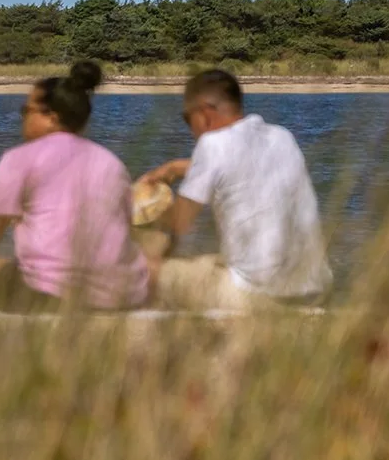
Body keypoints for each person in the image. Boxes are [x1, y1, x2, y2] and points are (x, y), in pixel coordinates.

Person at [0, 61, 149, 311]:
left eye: (26, 110)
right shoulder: (113, 163)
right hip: (123, 294)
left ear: (51, 118)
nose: (22, 118)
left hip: (52, 295)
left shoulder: (19, 159)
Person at [137, 69, 332, 309]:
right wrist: (176, 168)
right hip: (312, 288)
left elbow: (180, 224)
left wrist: (143, 211)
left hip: (258, 296)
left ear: (205, 114)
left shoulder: (212, 144)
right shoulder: (282, 137)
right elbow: (242, 167)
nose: (190, 130)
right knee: (209, 261)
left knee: (149, 267)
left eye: (188, 119)